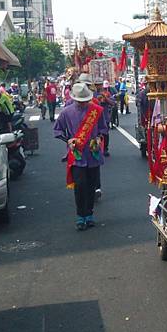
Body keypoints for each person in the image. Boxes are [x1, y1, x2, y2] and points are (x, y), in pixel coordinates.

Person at [54, 83, 108, 230]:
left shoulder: (96, 111)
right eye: (80, 101)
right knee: (80, 185)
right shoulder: (66, 112)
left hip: (93, 154)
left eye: (85, 100)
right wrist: (69, 140)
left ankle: (89, 214)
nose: (83, 103)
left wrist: (98, 138)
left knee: (91, 185)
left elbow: (103, 128)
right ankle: (80, 215)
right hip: (77, 154)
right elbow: (57, 131)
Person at [95, 80, 115, 156]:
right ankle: (96, 147)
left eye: (99, 85)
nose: (98, 86)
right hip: (95, 116)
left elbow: (113, 103)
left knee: (105, 133)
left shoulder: (107, 93)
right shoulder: (92, 94)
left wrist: (105, 98)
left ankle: (105, 149)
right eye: (97, 85)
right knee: (95, 133)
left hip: (104, 116)